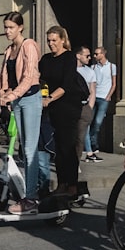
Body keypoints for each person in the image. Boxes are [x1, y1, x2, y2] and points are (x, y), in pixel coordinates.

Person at [0, 11, 42, 214]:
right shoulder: (8, 51)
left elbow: (29, 77)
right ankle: (30, 193)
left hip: (30, 99)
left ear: (20, 27)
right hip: (19, 102)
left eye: (11, 27)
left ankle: (31, 199)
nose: (7, 31)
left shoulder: (29, 45)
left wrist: (12, 96)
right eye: (5, 27)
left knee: (30, 149)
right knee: (24, 149)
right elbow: (0, 82)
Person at [38, 26, 82, 197]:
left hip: (68, 106)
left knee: (67, 147)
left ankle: (72, 184)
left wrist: (49, 98)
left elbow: (67, 84)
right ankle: (62, 182)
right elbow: (37, 77)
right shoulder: (46, 59)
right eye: (49, 40)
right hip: (52, 109)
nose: (51, 44)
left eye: (54, 40)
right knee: (57, 148)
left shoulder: (69, 57)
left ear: (63, 40)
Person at [86, 45, 118, 162]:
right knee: (90, 120)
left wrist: (109, 96)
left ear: (102, 54)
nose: (94, 56)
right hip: (94, 97)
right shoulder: (93, 67)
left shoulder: (111, 67)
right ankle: (92, 146)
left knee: (98, 122)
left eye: (96, 54)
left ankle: (91, 142)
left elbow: (114, 83)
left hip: (104, 97)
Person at [74, 46, 97, 164]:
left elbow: (93, 90)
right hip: (70, 107)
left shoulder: (90, 71)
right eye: (87, 56)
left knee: (80, 138)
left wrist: (90, 107)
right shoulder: (70, 69)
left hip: (84, 107)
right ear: (78, 56)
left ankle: (76, 163)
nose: (89, 58)